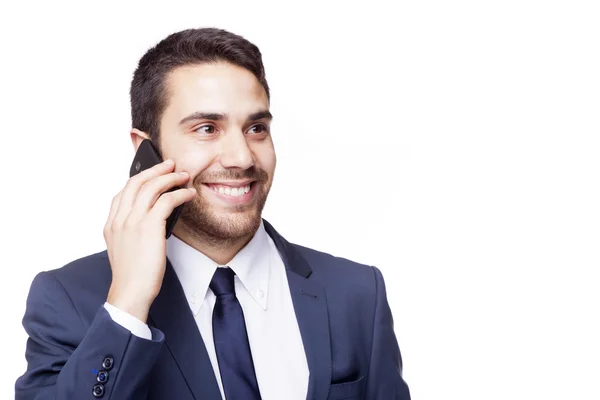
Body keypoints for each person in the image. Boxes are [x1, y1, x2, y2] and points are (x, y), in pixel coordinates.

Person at [15, 27, 411, 400]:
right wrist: (128, 305)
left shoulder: (358, 292)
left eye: (256, 128)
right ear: (145, 151)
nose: (241, 158)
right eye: (207, 128)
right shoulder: (68, 298)